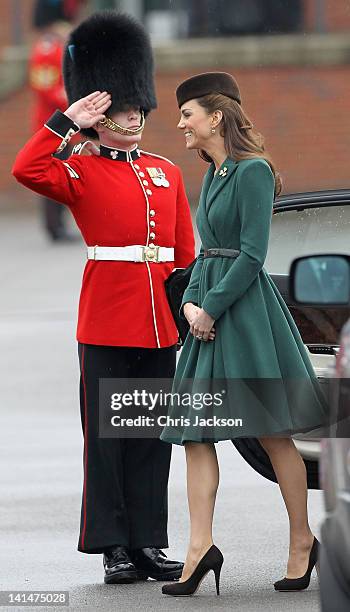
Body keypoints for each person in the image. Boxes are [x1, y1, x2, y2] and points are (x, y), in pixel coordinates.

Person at [13, 10, 195, 584]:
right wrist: (67, 120)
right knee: (108, 440)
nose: (135, 118)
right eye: (123, 110)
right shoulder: (80, 169)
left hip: (160, 323)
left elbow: (184, 251)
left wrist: (188, 311)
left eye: (139, 109)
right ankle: (113, 545)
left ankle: (147, 541)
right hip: (107, 321)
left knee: (151, 439)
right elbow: (27, 167)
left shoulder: (165, 171)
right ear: (102, 115)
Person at [160, 72, 329, 596]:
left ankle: (302, 541)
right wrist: (190, 301)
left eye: (188, 113)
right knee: (194, 432)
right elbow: (207, 251)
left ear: (216, 116)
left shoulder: (253, 171)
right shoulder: (213, 172)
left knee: (273, 433)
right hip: (206, 313)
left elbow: (253, 253)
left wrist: (208, 308)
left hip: (245, 314)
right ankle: (200, 547)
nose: (180, 123)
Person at [29, 0, 85, 241]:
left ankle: (59, 224)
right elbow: (44, 86)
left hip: (66, 122)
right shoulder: (46, 48)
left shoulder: (61, 46)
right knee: (52, 175)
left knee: (63, 172)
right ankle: (54, 227)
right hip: (52, 122)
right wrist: (70, 99)